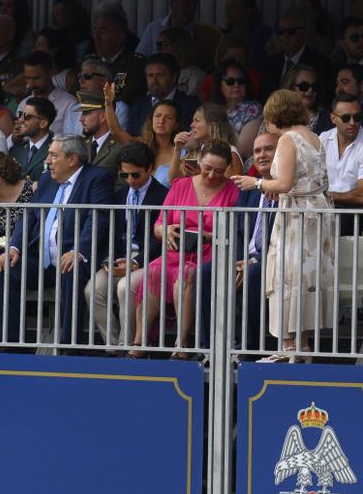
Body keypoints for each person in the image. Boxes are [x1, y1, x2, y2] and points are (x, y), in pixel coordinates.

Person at [235, 88, 334, 359]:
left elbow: (284, 183)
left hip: (296, 216)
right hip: (315, 215)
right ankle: (301, 348)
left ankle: (288, 349)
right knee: (301, 280)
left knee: (286, 279)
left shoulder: (289, 139)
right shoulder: (314, 137)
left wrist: (255, 182)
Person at [0, 134, 118, 346]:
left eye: (53, 155)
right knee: (6, 269)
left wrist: (79, 250)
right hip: (40, 256)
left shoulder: (97, 178)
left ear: (73, 159)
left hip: (72, 255)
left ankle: (69, 346)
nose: (47, 161)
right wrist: (14, 246)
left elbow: (98, 218)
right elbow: (29, 215)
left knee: (71, 269)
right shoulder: (46, 179)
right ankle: (13, 344)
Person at [132, 139, 241, 352]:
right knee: (154, 270)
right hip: (176, 251)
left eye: (218, 171)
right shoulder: (180, 185)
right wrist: (165, 230)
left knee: (187, 274)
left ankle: (181, 345)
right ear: (199, 160)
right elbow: (159, 224)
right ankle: (139, 342)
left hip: (210, 253)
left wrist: (207, 236)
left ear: (227, 168)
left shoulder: (233, 191)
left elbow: (235, 232)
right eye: (207, 168)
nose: (211, 175)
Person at [85, 142, 165, 349]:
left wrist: (136, 262)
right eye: (124, 175)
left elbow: (159, 240)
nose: (130, 180)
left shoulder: (163, 195)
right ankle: (112, 346)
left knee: (124, 288)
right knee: (93, 290)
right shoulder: (120, 195)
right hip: (119, 259)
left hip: (148, 261)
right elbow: (110, 233)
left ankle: (127, 347)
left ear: (150, 168)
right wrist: (107, 260)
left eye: (135, 175)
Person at [11, 97, 54, 184]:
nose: (20, 120)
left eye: (26, 116)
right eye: (21, 114)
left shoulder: (56, 151)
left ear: (43, 123)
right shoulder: (15, 150)